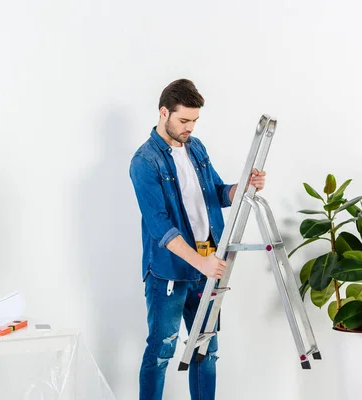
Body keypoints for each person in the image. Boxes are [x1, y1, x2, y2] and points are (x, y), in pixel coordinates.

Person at [129, 79, 266, 400]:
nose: (190, 127)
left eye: (194, 121)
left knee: (206, 349)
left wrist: (244, 186)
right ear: (164, 113)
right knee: (161, 351)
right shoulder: (144, 162)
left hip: (206, 261)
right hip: (171, 270)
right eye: (184, 120)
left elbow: (217, 193)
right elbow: (160, 227)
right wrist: (201, 262)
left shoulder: (196, 147)